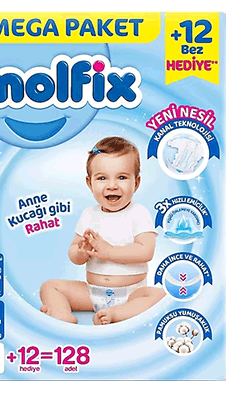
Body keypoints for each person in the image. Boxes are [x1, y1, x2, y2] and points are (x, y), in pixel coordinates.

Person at [40, 136, 166, 325]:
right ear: (89, 183)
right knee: (50, 286)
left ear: (136, 182)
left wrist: (110, 252)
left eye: (122, 177)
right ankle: (60, 311)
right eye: (102, 178)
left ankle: (117, 313)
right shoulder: (88, 215)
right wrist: (81, 252)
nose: (112, 185)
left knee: (159, 296)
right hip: (92, 293)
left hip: (132, 293)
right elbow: (74, 254)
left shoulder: (139, 213)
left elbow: (146, 251)